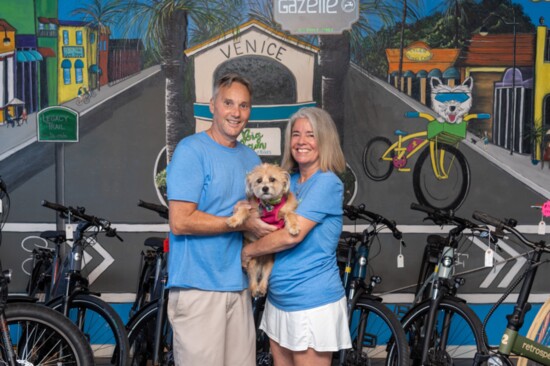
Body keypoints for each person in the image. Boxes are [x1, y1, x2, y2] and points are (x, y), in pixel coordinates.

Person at [166, 73, 275, 366]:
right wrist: (238, 222)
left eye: (244, 105)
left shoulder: (251, 159)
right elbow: (180, 221)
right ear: (212, 105)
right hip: (198, 289)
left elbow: (258, 218)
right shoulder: (192, 151)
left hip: (238, 286)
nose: (236, 112)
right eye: (228, 103)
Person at [242, 107, 352, 366]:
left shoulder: (327, 183)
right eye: (296, 134)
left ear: (324, 140)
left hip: (311, 302)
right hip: (279, 297)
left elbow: (292, 236)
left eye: (310, 135)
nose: (301, 141)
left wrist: (248, 251)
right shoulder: (287, 180)